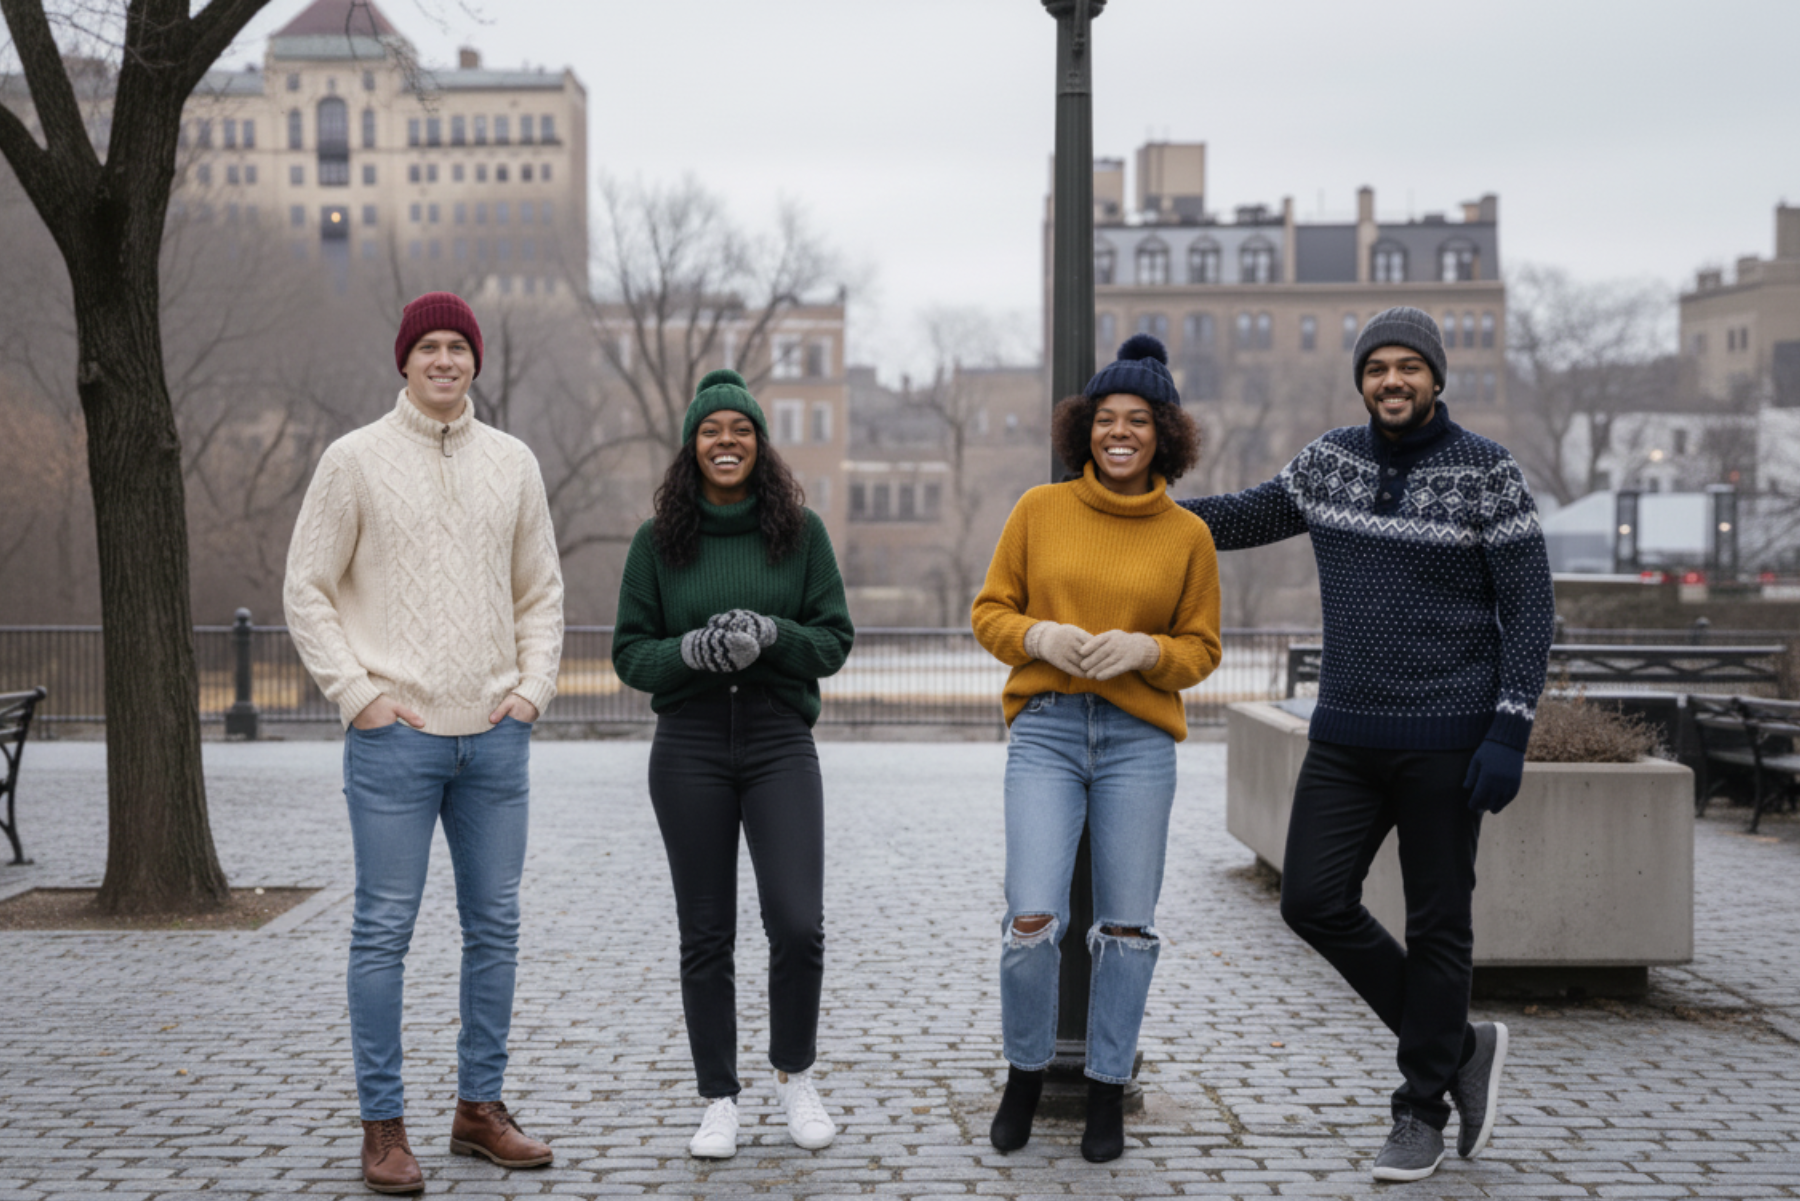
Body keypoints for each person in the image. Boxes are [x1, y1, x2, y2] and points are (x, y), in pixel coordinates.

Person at [1181, 306, 1553, 1183]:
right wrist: (1129, 509)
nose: (1393, 380)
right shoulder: (1328, 463)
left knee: (1439, 925)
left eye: (1409, 367)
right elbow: (1235, 519)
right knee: (1312, 900)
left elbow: (1530, 610)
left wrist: (1509, 729)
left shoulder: (1488, 473)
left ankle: (1420, 1107)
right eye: (1378, 367)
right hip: (1346, 734)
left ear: (1436, 377)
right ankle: (1460, 1044)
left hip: (1450, 740)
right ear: (1362, 379)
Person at [284, 291, 564, 1194]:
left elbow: (541, 593)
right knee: (383, 932)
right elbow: (307, 588)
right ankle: (383, 1126)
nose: (444, 359)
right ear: (403, 361)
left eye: (458, 346)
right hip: (393, 740)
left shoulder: (514, 464)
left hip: (494, 741)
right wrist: (358, 694)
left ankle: (478, 1110)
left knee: (497, 927)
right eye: (428, 346)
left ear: (475, 361)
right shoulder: (353, 461)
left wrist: (529, 692)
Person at [971, 334, 1222, 1163]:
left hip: (1139, 740)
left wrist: (1148, 652)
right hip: (1045, 729)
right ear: (1085, 427)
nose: (1122, 432)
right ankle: (1025, 1074)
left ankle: (1108, 1088)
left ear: (1164, 435)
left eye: (1139, 420)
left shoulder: (1188, 535)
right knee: (1033, 919)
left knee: (1126, 926)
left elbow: (1202, 648)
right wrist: (1039, 632)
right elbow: (989, 613)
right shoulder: (1037, 512)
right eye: (1107, 417)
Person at [612, 368, 855, 1160]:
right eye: (712, 430)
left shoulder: (802, 533)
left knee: (797, 921)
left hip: (779, 735)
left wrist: (775, 634)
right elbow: (630, 654)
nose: (727, 441)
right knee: (706, 933)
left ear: (760, 443)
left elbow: (835, 640)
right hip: (688, 746)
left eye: (741, 430)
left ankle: (797, 1074)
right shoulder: (658, 543)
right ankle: (718, 1096)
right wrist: (689, 650)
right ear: (692, 446)